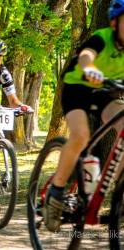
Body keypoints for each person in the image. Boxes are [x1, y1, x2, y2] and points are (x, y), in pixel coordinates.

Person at [43, 0, 124, 232]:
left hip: (107, 93)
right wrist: (90, 68)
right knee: (80, 136)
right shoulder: (102, 37)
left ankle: (118, 194)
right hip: (78, 87)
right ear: (114, 22)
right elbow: (87, 54)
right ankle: (56, 192)